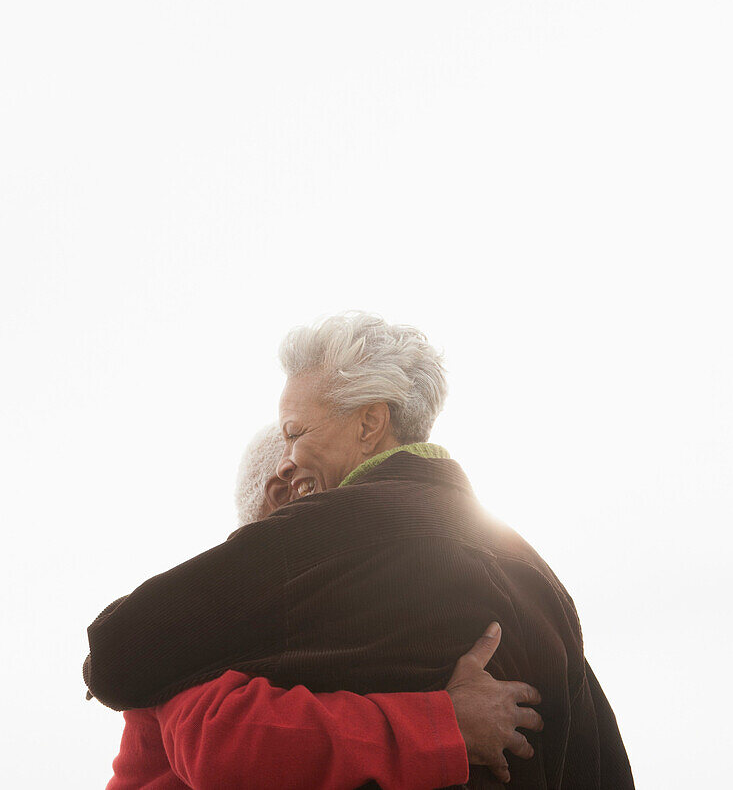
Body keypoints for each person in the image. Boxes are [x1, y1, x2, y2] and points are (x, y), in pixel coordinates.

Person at [85, 312, 634, 788]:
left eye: (296, 432)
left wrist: (443, 726)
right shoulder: (537, 574)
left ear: (370, 422)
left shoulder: (319, 546)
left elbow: (119, 652)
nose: (289, 460)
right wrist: (442, 721)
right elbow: (600, 756)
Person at [106, 424, 542, 788]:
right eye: (349, 489)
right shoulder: (211, 609)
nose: (363, 505)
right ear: (287, 492)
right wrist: (444, 725)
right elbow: (226, 743)